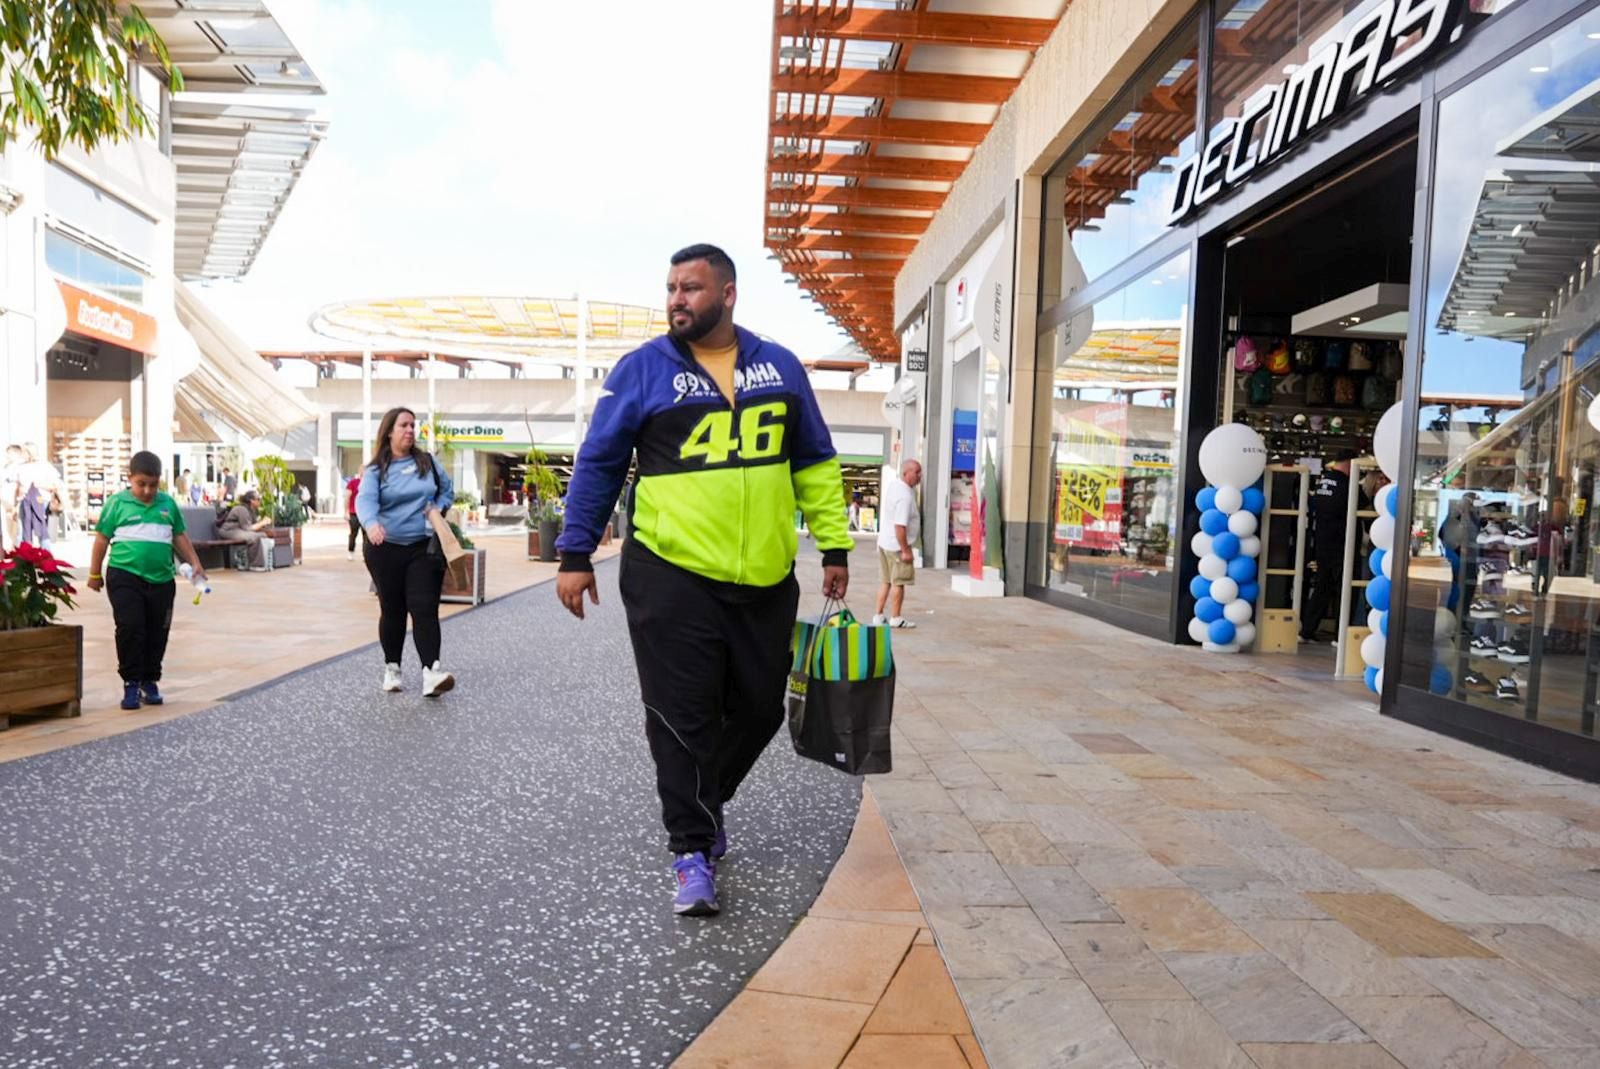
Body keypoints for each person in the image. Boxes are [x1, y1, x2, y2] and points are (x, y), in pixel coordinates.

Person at [555, 243, 851, 918]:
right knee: (681, 713)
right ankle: (692, 847)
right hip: (669, 570)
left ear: (728, 294)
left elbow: (814, 463)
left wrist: (833, 543)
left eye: (690, 287)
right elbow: (600, 461)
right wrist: (575, 554)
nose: (676, 300)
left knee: (759, 707)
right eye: (670, 288)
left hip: (766, 576)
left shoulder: (779, 367)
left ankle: (704, 799)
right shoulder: (642, 372)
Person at [86, 451, 207, 711]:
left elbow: (179, 536)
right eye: (141, 484)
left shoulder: (167, 505)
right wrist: (94, 573)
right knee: (130, 628)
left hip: (162, 579)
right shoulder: (117, 504)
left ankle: (149, 680)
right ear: (130, 479)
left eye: (153, 484)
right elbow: (101, 540)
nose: (147, 490)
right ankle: (131, 682)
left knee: (157, 631)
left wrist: (195, 563)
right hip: (124, 575)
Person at [356, 406, 456, 698]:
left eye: (413, 426)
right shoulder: (376, 470)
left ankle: (431, 672)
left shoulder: (427, 463)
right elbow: (365, 501)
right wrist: (372, 524)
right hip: (384, 548)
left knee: (424, 606)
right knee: (393, 609)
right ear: (389, 431)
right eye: (404, 425)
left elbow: (447, 490)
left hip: (422, 547)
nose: (411, 430)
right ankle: (393, 668)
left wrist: (438, 508)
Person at [1299, 457, 1352, 644]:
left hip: (1322, 541)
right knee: (1343, 589)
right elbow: (1359, 503)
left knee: (1321, 588)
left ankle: (1307, 630)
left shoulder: (1322, 482)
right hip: (1341, 543)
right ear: (1348, 465)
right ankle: (1341, 635)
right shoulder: (1346, 483)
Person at [873, 460, 922, 628]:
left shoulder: (895, 486)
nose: (919, 476)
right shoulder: (905, 497)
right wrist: (906, 550)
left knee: (885, 581)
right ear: (906, 473)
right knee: (898, 582)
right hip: (896, 546)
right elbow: (900, 527)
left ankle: (878, 615)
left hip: (884, 542)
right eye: (916, 472)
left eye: (920, 472)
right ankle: (896, 617)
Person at [16, 443, 60, 550]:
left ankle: (46, 556)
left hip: (40, 500)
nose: (22, 454)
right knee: (24, 529)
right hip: (24, 501)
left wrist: (39, 484)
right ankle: (26, 556)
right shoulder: (20, 467)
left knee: (41, 528)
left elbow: (55, 485)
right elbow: (18, 485)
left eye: (24, 452)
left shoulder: (44, 466)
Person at [218, 490, 274, 570]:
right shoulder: (242, 509)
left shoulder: (252, 511)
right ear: (251, 500)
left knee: (262, 535)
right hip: (229, 531)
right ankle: (254, 565)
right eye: (258, 499)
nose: (260, 501)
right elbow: (248, 528)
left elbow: (254, 526)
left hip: (239, 530)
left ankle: (257, 562)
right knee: (253, 537)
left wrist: (264, 526)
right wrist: (263, 522)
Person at [1, 443, 22, 552]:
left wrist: (17, 502)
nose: (7, 456)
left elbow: (20, 485)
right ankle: (7, 550)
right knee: (6, 527)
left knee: (14, 527)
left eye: (9, 454)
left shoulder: (19, 467)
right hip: (5, 500)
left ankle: (12, 550)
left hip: (13, 500)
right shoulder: (6, 467)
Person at [345, 472, 363, 560]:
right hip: (354, 512)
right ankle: (350, 551)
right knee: (353, 534)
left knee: (367, 535)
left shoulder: (371, 483)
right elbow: (347, 497)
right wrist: (346, 511)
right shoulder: (353, 482)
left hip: (365, 513)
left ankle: (365, 554)